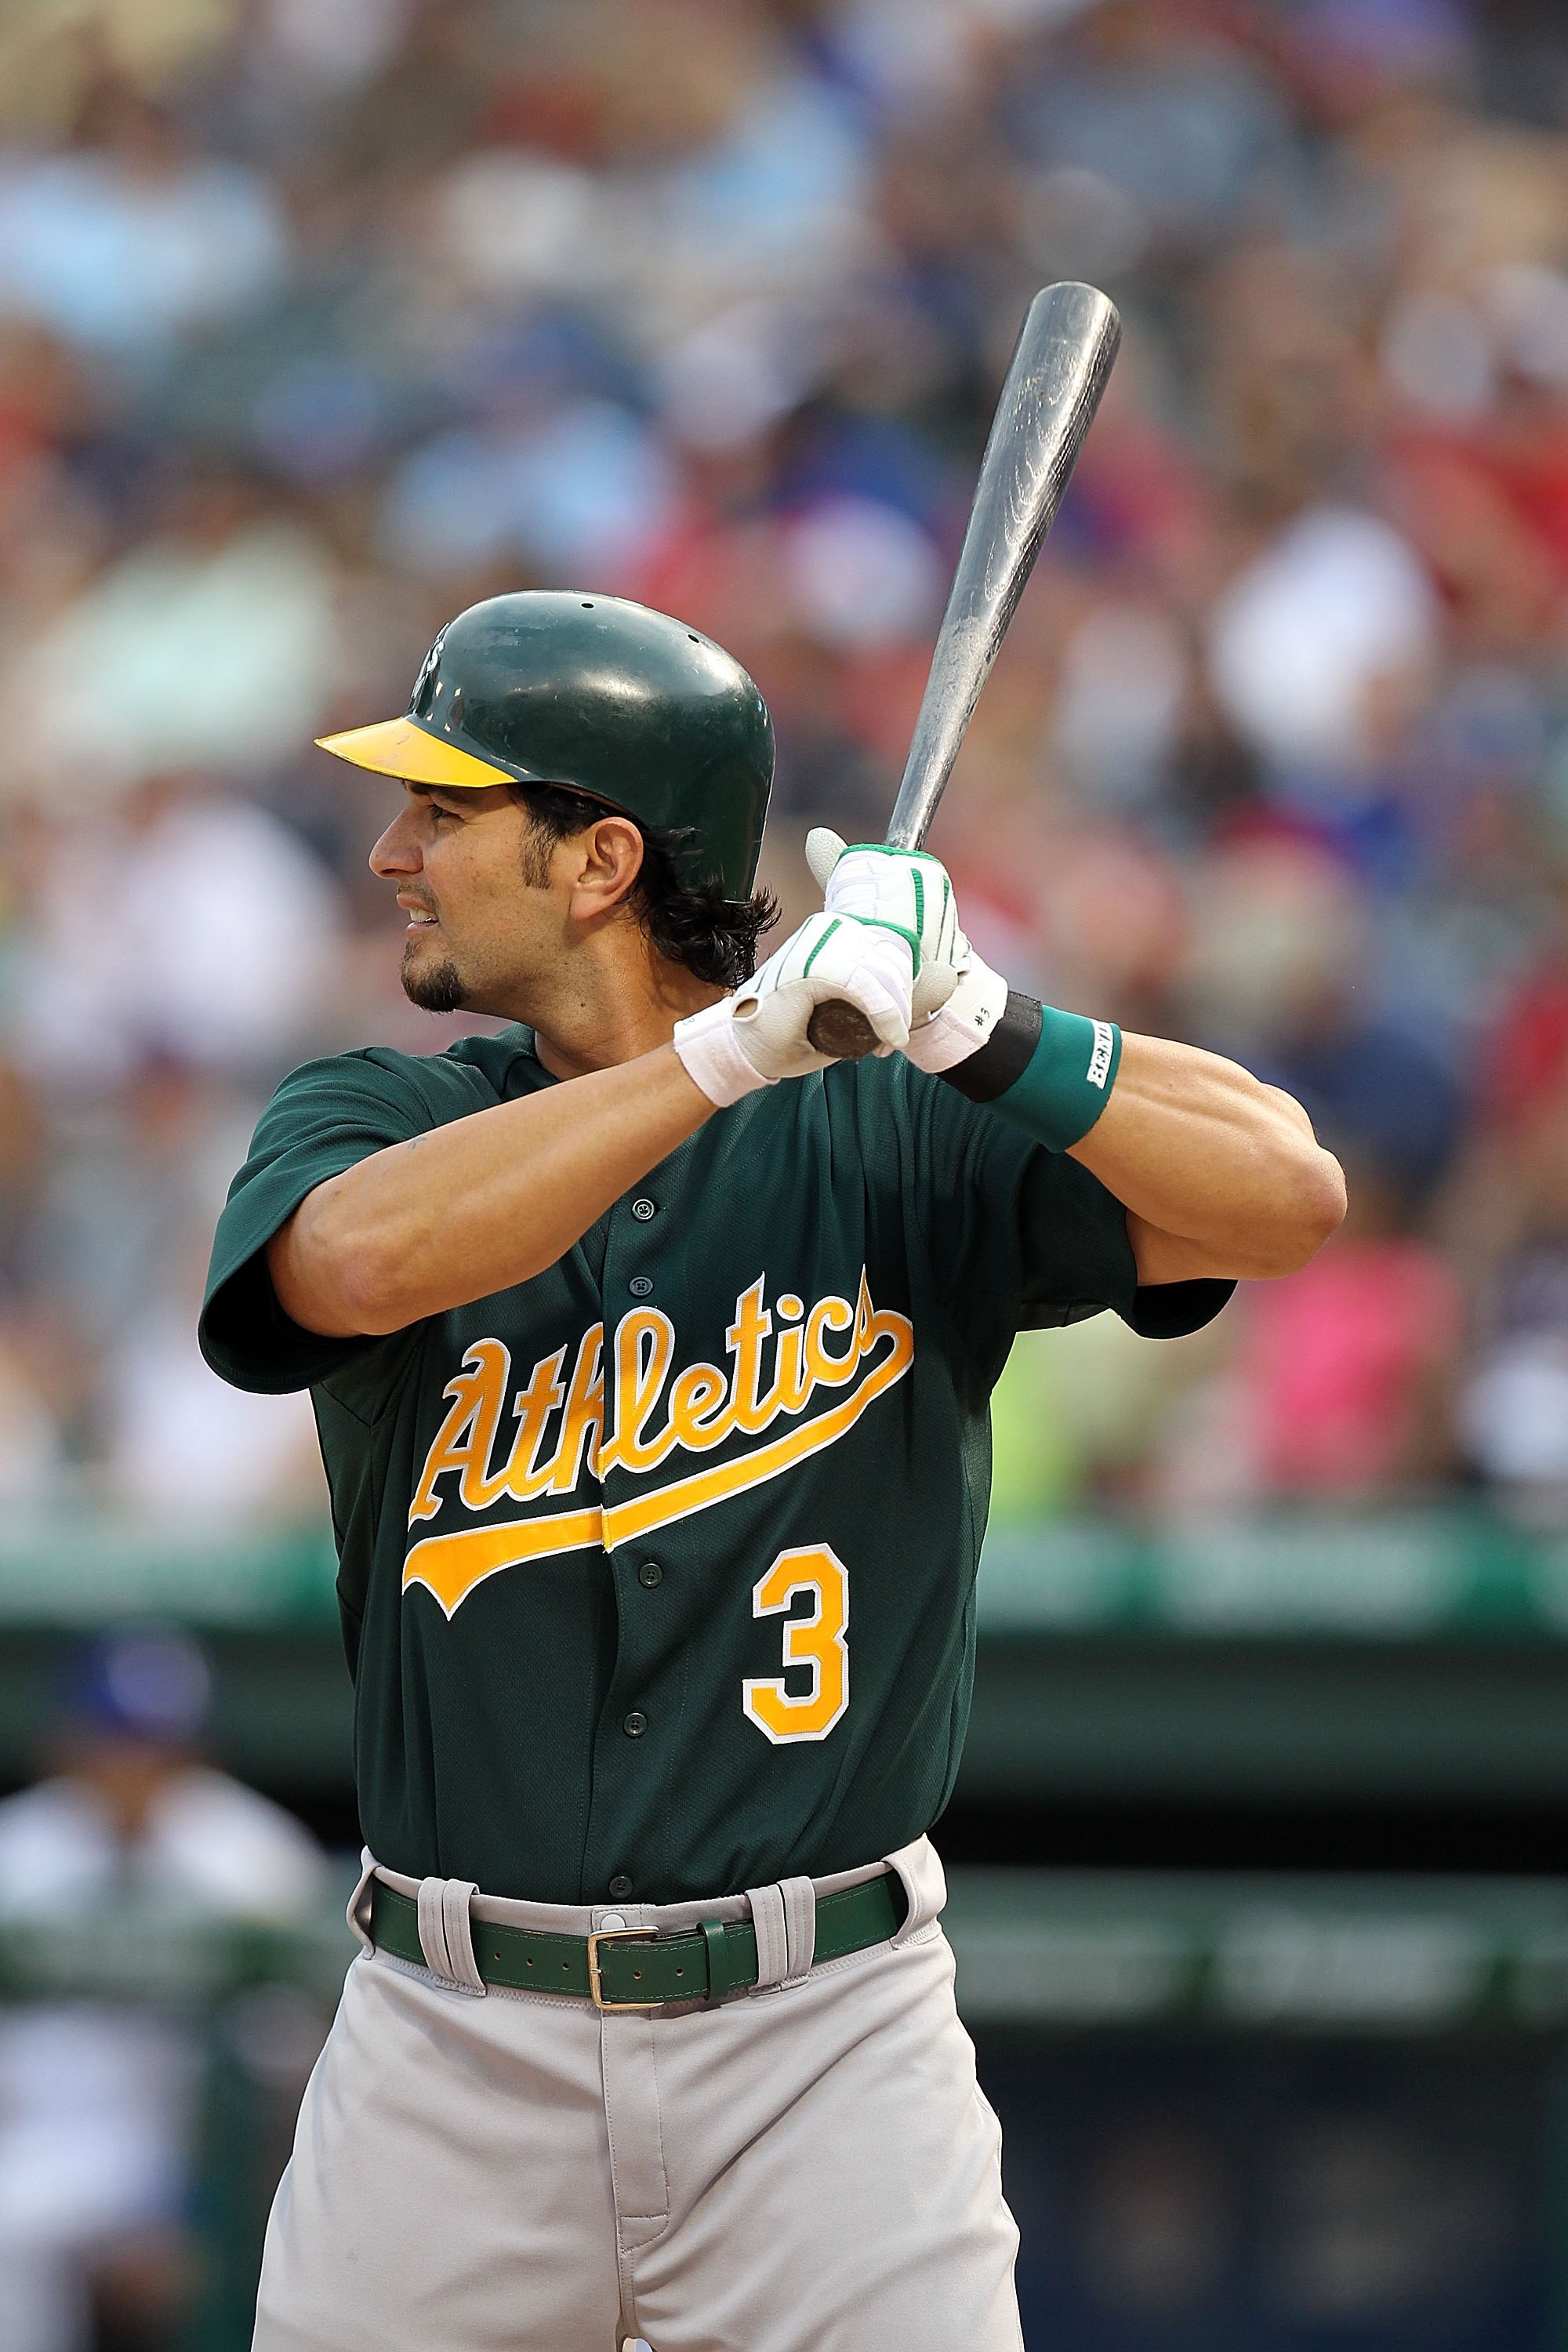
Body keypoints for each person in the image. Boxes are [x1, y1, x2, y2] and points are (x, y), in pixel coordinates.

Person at [199, 590, 1345, 2352]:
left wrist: (980, 1021)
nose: (390, 853)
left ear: (596, 861)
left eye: (444, 811)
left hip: (826, 2047)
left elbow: (1283, 1194)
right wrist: (729, 1053)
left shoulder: (895, 1115)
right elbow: (347, 1269)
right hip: (447, 2038)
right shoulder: (379, 1115)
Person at [0, 1625, 327, 2352]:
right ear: (67, 1742)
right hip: (44, 2138)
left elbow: (297, 2061)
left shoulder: (253, 1858)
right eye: (115, 1742)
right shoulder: (19, 1850)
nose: (134, 1768)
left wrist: (209, 2208)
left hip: (195, 2154)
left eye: (156, 1746)